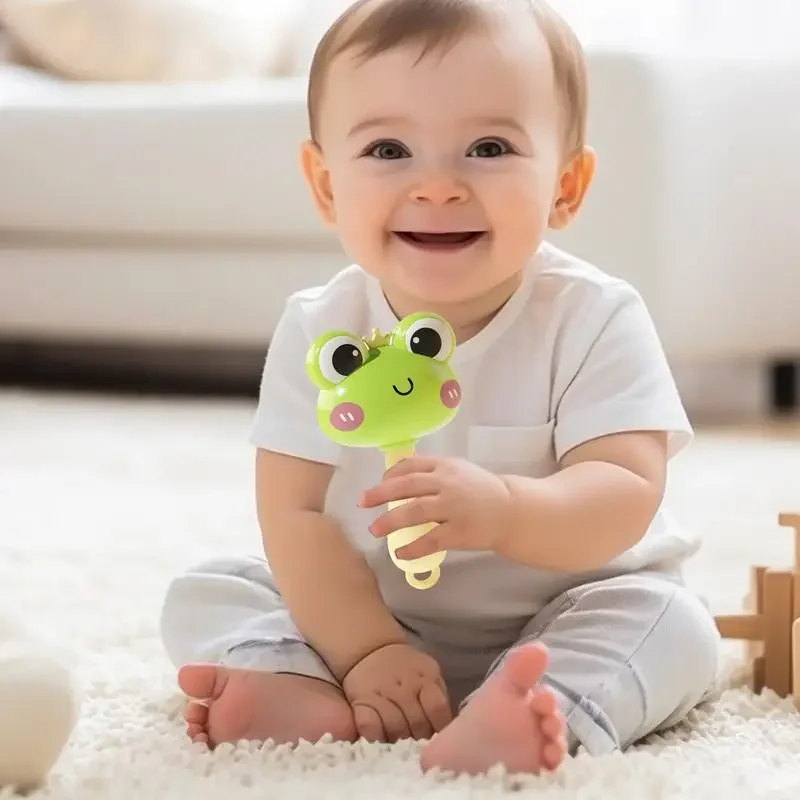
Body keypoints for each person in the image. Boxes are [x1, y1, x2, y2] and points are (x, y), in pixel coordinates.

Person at [159, 0, 720, 777]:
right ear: (326, 185)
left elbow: (627, 489)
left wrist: (507, 510)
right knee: (210, 588)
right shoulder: (319, 329)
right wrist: (366, 649)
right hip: (369, 612)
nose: (438, 186)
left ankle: (534, 704)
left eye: (488, 147)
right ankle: (297, 685)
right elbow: (293, 515)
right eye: (389, 149)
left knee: (676, 625)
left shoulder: (594, 316)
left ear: (566, 184)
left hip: (566, 608)